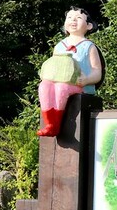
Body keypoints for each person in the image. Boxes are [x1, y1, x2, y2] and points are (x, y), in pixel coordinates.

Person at [37, 7, 103, 136]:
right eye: (70, 18)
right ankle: (50, 123)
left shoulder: (88, 46)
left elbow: (97, 72)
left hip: (80, 85)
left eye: (78, 18)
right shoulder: (59, 46)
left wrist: (86, 80)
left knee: (61, 88)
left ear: (89, 25)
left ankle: (55, 125)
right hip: (58, 81)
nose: (73, 21)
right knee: (44, 86)